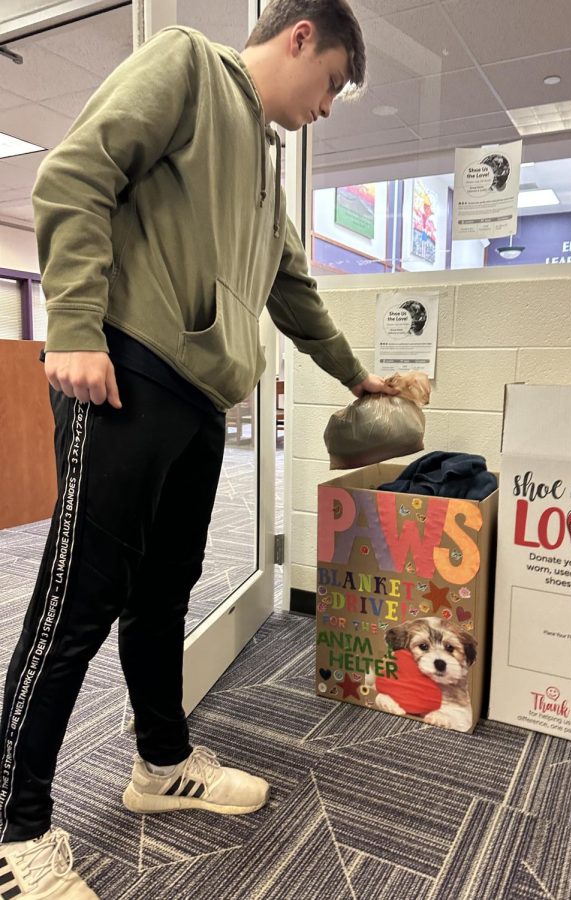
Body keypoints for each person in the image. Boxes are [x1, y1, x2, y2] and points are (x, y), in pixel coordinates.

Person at [0, 2, 394, 896]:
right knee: (76, 599)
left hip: (200, 397)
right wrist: (71, 327)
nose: (327, 106)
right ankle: (11, 829)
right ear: (301, 37)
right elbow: (75, 173)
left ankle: (159, 765)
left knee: (162, 595)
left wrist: (356, 375)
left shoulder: (263, 162)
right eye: (331, 82)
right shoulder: (185, 63)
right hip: (123, 371)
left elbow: (291, 287)